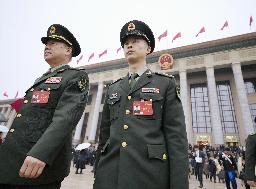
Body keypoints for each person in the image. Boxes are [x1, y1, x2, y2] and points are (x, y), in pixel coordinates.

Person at [93, 20, 189, 189]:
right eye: (126, 43)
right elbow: (104, 137)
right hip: (111, 176)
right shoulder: (114, 88)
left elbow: (176, 140)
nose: (129, 46)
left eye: (135, 42)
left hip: (149, 175)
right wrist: (99, 175)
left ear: (148, 49)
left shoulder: (165, 84)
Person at [0, 24, 89, 189]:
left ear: (68, 50)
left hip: (37, 166)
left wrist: (41, 154)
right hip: (13, 162)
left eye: (54, 43)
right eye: (46, 43)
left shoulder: (75, 77)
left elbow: (65, 118)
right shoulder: (41, 79)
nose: (47, 46)